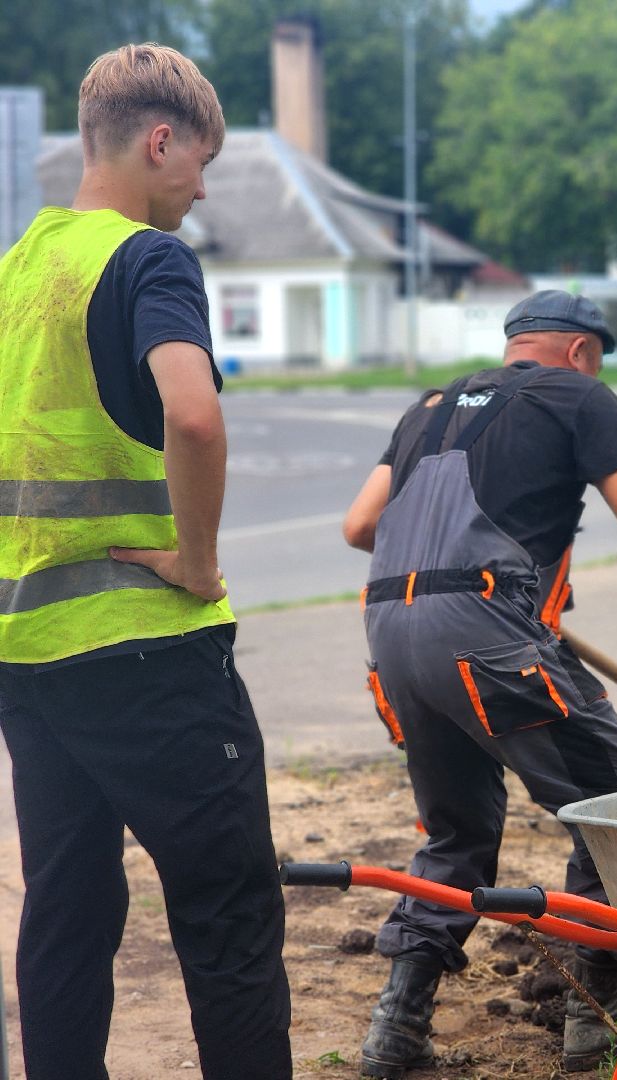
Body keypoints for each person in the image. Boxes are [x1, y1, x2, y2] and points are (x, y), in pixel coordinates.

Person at [0, 44, 291, 1079]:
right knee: (229, 916)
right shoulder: (146, 258)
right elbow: (194, 417)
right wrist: (196, 559)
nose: (203, 188)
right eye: (199, 163)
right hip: (148, 652)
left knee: (68, 914)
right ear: (157, 139)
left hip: (29, 659)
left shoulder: (17, 270)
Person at [342, 289, 617, 1076]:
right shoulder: (579, 394)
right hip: (483, 635)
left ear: (515, 344)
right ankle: (595, 1014)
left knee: (456, 831)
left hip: (392, 633)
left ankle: (395, 1028)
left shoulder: (431, 408)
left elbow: (361, 527)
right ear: (581, 351)